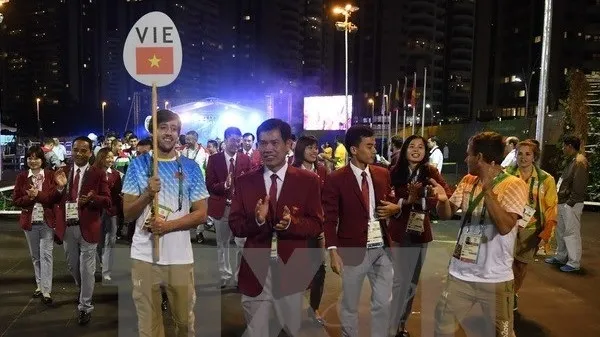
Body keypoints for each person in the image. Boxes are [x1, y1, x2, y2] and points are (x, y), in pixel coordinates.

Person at [229, 119, 323, 337]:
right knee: (256, 331)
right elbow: (235, 225)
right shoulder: (244, 182)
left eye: (274, 142)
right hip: (255, 269)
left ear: (289, 144)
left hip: (291, 269)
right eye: (263, 143)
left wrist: (292, 224)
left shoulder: (308, 181)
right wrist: (257, 221)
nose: (268, 149)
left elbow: (317, 223)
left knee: (292, 330)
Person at [430, 131, 528, 337]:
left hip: (496, 279)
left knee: (502, 333)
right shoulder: (467, 180)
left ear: (480, 158)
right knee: (442, 328)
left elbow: (505, 226)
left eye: (469, 154)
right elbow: (447, 214)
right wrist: (442, 200)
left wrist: (488, 190)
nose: (466, 159)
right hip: (460, 274)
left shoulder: (514, 185)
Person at [122, 109, 209, 337]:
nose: (169, 133)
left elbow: (201, 214)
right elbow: (128, 214)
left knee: (184, 323)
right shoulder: (138, 165)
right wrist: (147, 195)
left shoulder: (191, 167)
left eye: (174, 128)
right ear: (153, 131)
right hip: (143, 255)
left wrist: (168, 226)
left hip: (180, 257)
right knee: (148, 326)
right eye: (163, 128)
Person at [322, 125, 394, 337]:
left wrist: (393, 210)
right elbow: (330, 218)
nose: (374, 151)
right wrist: (333, 251)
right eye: (369, 146)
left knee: (383, 303)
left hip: (382, 248)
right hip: (352, 249)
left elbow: (388, 203)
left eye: (374, 146)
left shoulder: (382, 174)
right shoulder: (336, 179)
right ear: (354, 150)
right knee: (349, 304)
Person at [386, 135, 452, 337]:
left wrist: (427, 199)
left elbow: (444, 194)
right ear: (405, 150)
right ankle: (390, 325)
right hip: (398, 230)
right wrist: (407, 200)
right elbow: (387, 198)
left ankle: (400, 325)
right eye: (412, 146)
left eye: (421, 147)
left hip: (419, 231)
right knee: (399, 281)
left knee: (412, 282)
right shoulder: (393, 171)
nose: (416, 150)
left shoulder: (430, 172)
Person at [53, 136, 112, 325]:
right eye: (76, 149)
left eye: (83, 150)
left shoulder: (98, 174)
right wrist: (60, 189)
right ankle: (84, 290)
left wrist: (93, 198)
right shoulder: (62, 171)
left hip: (89, 226)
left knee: (87, 268)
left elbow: (107, 200)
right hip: (68, 226)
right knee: (72, 265)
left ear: (90, 152)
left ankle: (85, 306)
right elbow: (52, 199)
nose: (78, 153)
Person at [505, 140, 557, 310]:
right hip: (507, 226)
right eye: (520, 153)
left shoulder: (546, 180)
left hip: (531, 229)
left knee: (520, 265)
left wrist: (547, 231)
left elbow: (551, 207)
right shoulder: (505, 175)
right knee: (505, 263)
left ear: (534, 157)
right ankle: (504, 294)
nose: (523, 157)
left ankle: (514, 292)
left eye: (528, 154)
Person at [206, 126, 252, 288]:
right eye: (233, 140)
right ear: (225, 141)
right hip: (222, 207)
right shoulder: (214, 159)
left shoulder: (246, 160)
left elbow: (250, 183)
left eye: (238, 141)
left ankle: (240, 276)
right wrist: (223, 185)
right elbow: (210, 185)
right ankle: (225, 274)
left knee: (243, 243)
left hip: (240, 209)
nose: (236, 144)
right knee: (223, 244)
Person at [13, 145, 58, 305]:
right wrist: (30, 198)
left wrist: (37, 194)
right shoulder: (22, 177)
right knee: (35, 256)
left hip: (47, 221)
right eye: (30, 158)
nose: (33, 161)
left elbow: (53, 198)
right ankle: (39, 285)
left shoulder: (51, 175)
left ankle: (47, 290)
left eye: (36, 158)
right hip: (30, 221)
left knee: (46, 255)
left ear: (42, 160)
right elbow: (16, 200)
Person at [291, 135, 328, 325]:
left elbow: (327, 199)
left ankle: (314, 309)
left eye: (316, 147)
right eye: (310, 148)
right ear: (300, 150)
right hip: (295, 229)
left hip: (317, 229)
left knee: (319, 270)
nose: (315, 151)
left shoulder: (322, 171)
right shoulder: (291, 171)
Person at [545, 135, 589, 272]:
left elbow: (579, 185)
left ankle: (574, 262)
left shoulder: (579, 162)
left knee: (571, 232)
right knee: (561, 231)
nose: (563, 149)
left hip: (570, 203)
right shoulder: (573, 161)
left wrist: (571, 202)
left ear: (570, 146)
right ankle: (561, 256)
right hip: (564, 201)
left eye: (564, 146)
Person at [94, 148, 122, 282]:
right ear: (100, 158)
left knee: (111, 240)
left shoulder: (116, 174)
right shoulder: (93, 172)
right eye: (107, 157)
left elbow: (118, 194)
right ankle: (101, 262)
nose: (110, 160)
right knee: (98, 240)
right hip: (97, 211)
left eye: (112, 157)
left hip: (111, 211)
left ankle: (107, 270)